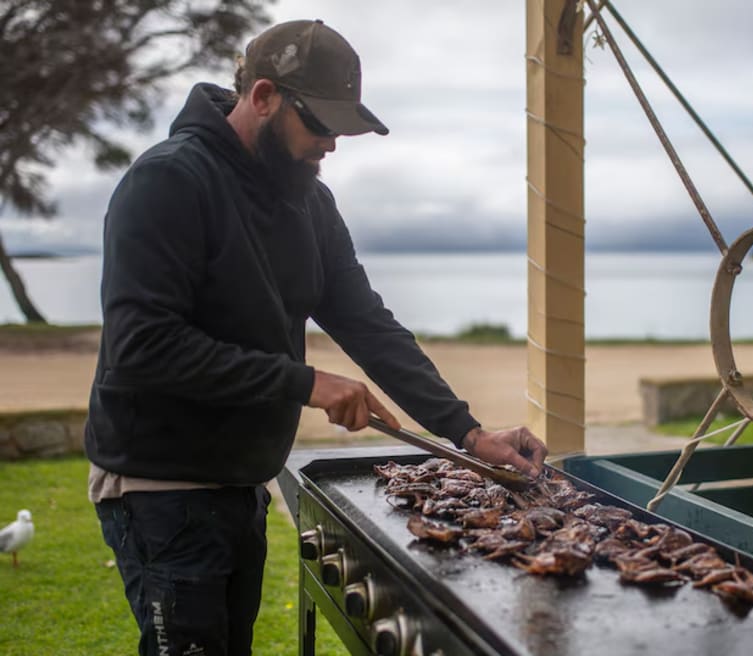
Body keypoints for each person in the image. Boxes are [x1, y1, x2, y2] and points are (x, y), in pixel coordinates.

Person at [85, 18, 547, 656]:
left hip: (239, 479)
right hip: (160, 485)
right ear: (265, 96)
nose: (332, 144)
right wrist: (303, 382)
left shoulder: (309, 202)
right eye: (321, 124)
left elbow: (367, 322)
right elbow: (143, 346)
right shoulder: (167, 182)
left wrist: (466, 432)